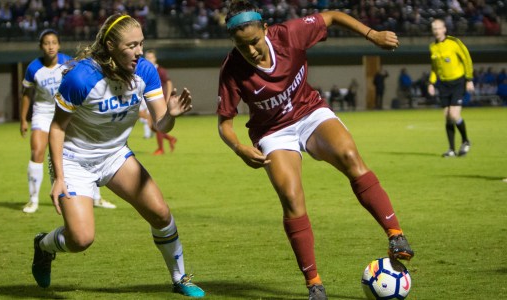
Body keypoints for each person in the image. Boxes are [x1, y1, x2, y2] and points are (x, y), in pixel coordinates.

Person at [216, 2, 414, 299]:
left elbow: (333, 16)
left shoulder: (290, 35)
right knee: (291, 197)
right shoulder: (232, 68)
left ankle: (396, 235)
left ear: (265, 30)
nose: (251, 51)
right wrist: (239, 148)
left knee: (350, 156)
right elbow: (225, 123)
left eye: (254, 42)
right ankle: (314, 283)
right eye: (243, 46)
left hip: (310, 113)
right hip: (273, 132)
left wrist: (371, 34)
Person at [32, 14, 205, 298]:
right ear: (110, 45)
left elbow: (161, 124)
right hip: (75, 160)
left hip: (114, 156)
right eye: (131, 45)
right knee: (81, 239)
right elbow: (57, 128)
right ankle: (43, 246)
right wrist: (59, 177)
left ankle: (180, 278)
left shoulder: (145, 71)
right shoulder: (81, 77)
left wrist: (171, 116)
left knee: (160, 213)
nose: (139, 52)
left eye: (141, 44)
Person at [20, 29, 116, 214]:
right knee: (37, 151)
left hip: (66, 111)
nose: (50, 46)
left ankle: (96, 197)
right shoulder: (33, 68)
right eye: (46, 43)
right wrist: (23, 119)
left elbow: (82, 82)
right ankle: (33, 200)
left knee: (83, 151)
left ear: (59, 45)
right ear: (41, 46)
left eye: (54, 42)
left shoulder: (68, 62)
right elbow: (26, 95)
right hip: (43, 113)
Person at [427, 19, 473, 158]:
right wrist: (431, 83)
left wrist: (469, 79)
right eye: (434, 28)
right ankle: (451, 149)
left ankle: (465, 141)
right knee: (447, 117)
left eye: (438, 28)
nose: (436, 31)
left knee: (454, 115)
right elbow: (434, 68)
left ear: (444, 29)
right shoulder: (432, 47)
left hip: (458, 82)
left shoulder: (454, 43)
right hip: (443, 84)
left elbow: (467, 59)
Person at [143, 49, 178, 155]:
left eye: (151, 57)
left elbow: (168, 82)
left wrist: (167, 98)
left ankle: (161, 149)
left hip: (159, 100)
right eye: (147, 57)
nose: (149, 59)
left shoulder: (160, 70)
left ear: (155, 58)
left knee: (157, 124)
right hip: (148, 100)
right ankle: (170, 139)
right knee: (152, 126)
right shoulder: (144, 70)